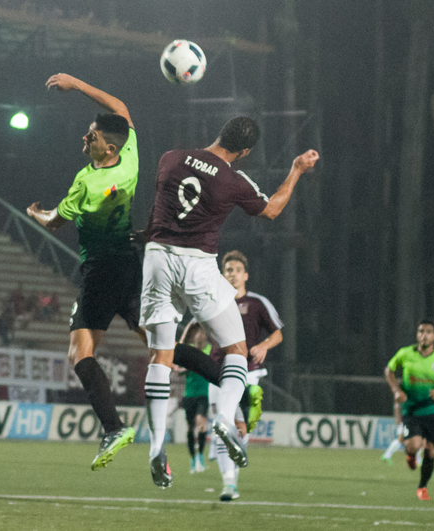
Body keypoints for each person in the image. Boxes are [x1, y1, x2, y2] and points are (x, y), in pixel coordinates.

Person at [140, 115, 318, 488]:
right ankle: (223, 416)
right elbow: (271, 210)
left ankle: (157, 446)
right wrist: (296, 169)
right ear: (246, 151)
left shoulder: (170, 157)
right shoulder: (234, 180)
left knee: (161, 354)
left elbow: (161, 204)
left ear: (219, 131)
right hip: (199, 264)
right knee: (237, 348)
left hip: (156, 255)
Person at [27, 72, 141, 471]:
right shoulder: (129, 157)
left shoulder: (87, 182)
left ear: (107, 147)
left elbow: (56, 222)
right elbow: (121, 110)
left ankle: (113, 427)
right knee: (159, 342)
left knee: (79, 353)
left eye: (90, 137)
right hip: (131, 262)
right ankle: (231, 376)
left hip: (100, 270)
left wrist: (36, 213)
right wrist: (78, 85)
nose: (84, 139)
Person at [208, 250, 283, 501]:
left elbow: (277, 333)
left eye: (237, 270)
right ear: (222, 274)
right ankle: (228, 482)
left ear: (246, 275)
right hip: (216, 372)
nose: (233, 274)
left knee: (241, 431)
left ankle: (232, 476)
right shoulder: (213, 299)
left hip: (249, 374)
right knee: (223, 426)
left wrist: (263, 346)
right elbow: (195, 326)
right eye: (228, 270)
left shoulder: (257, 303)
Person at [385, 318, 434, 501]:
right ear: (417, 334)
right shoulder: (405, 353)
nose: (424, 335)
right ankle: (410, 454)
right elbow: (389, 370)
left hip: (432, 411)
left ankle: (422, 487)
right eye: (421, 331)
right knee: (414, 445)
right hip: (412, 411)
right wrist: (396, 390)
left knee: (430, 451)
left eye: (428, 332)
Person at [176, 322, 211, 474]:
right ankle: (192, 458)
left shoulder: (210, 350)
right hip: (189, 394)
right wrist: (187, 369)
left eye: (202, 334)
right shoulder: (188, 349)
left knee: (201, 424)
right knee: (190, 428)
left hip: (204, 394)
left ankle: (201, 456)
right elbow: (178, 369)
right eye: (197, 334)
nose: (199, 336)